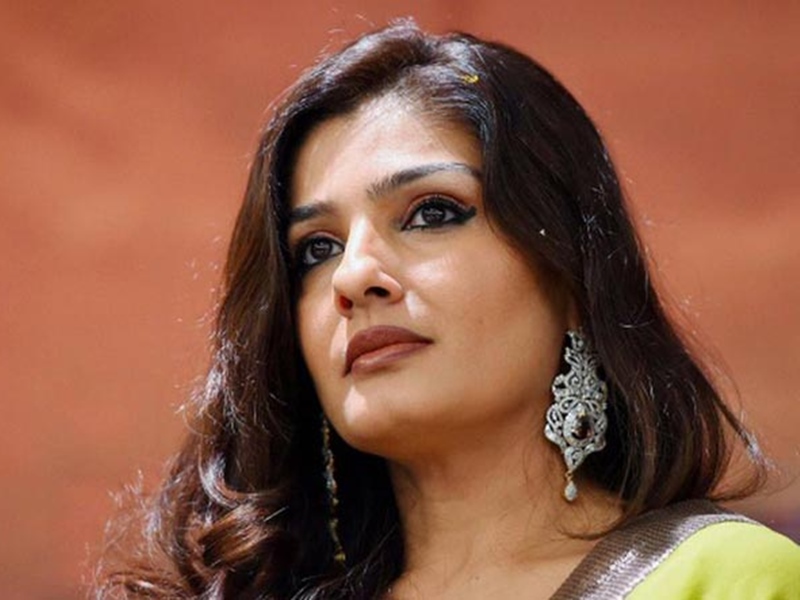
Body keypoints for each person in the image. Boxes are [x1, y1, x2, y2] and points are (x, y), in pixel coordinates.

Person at [96, 20, 799, 599]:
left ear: (574, 282)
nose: (354, 275)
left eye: (431, 213)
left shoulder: (729, 581)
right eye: (316, 249)